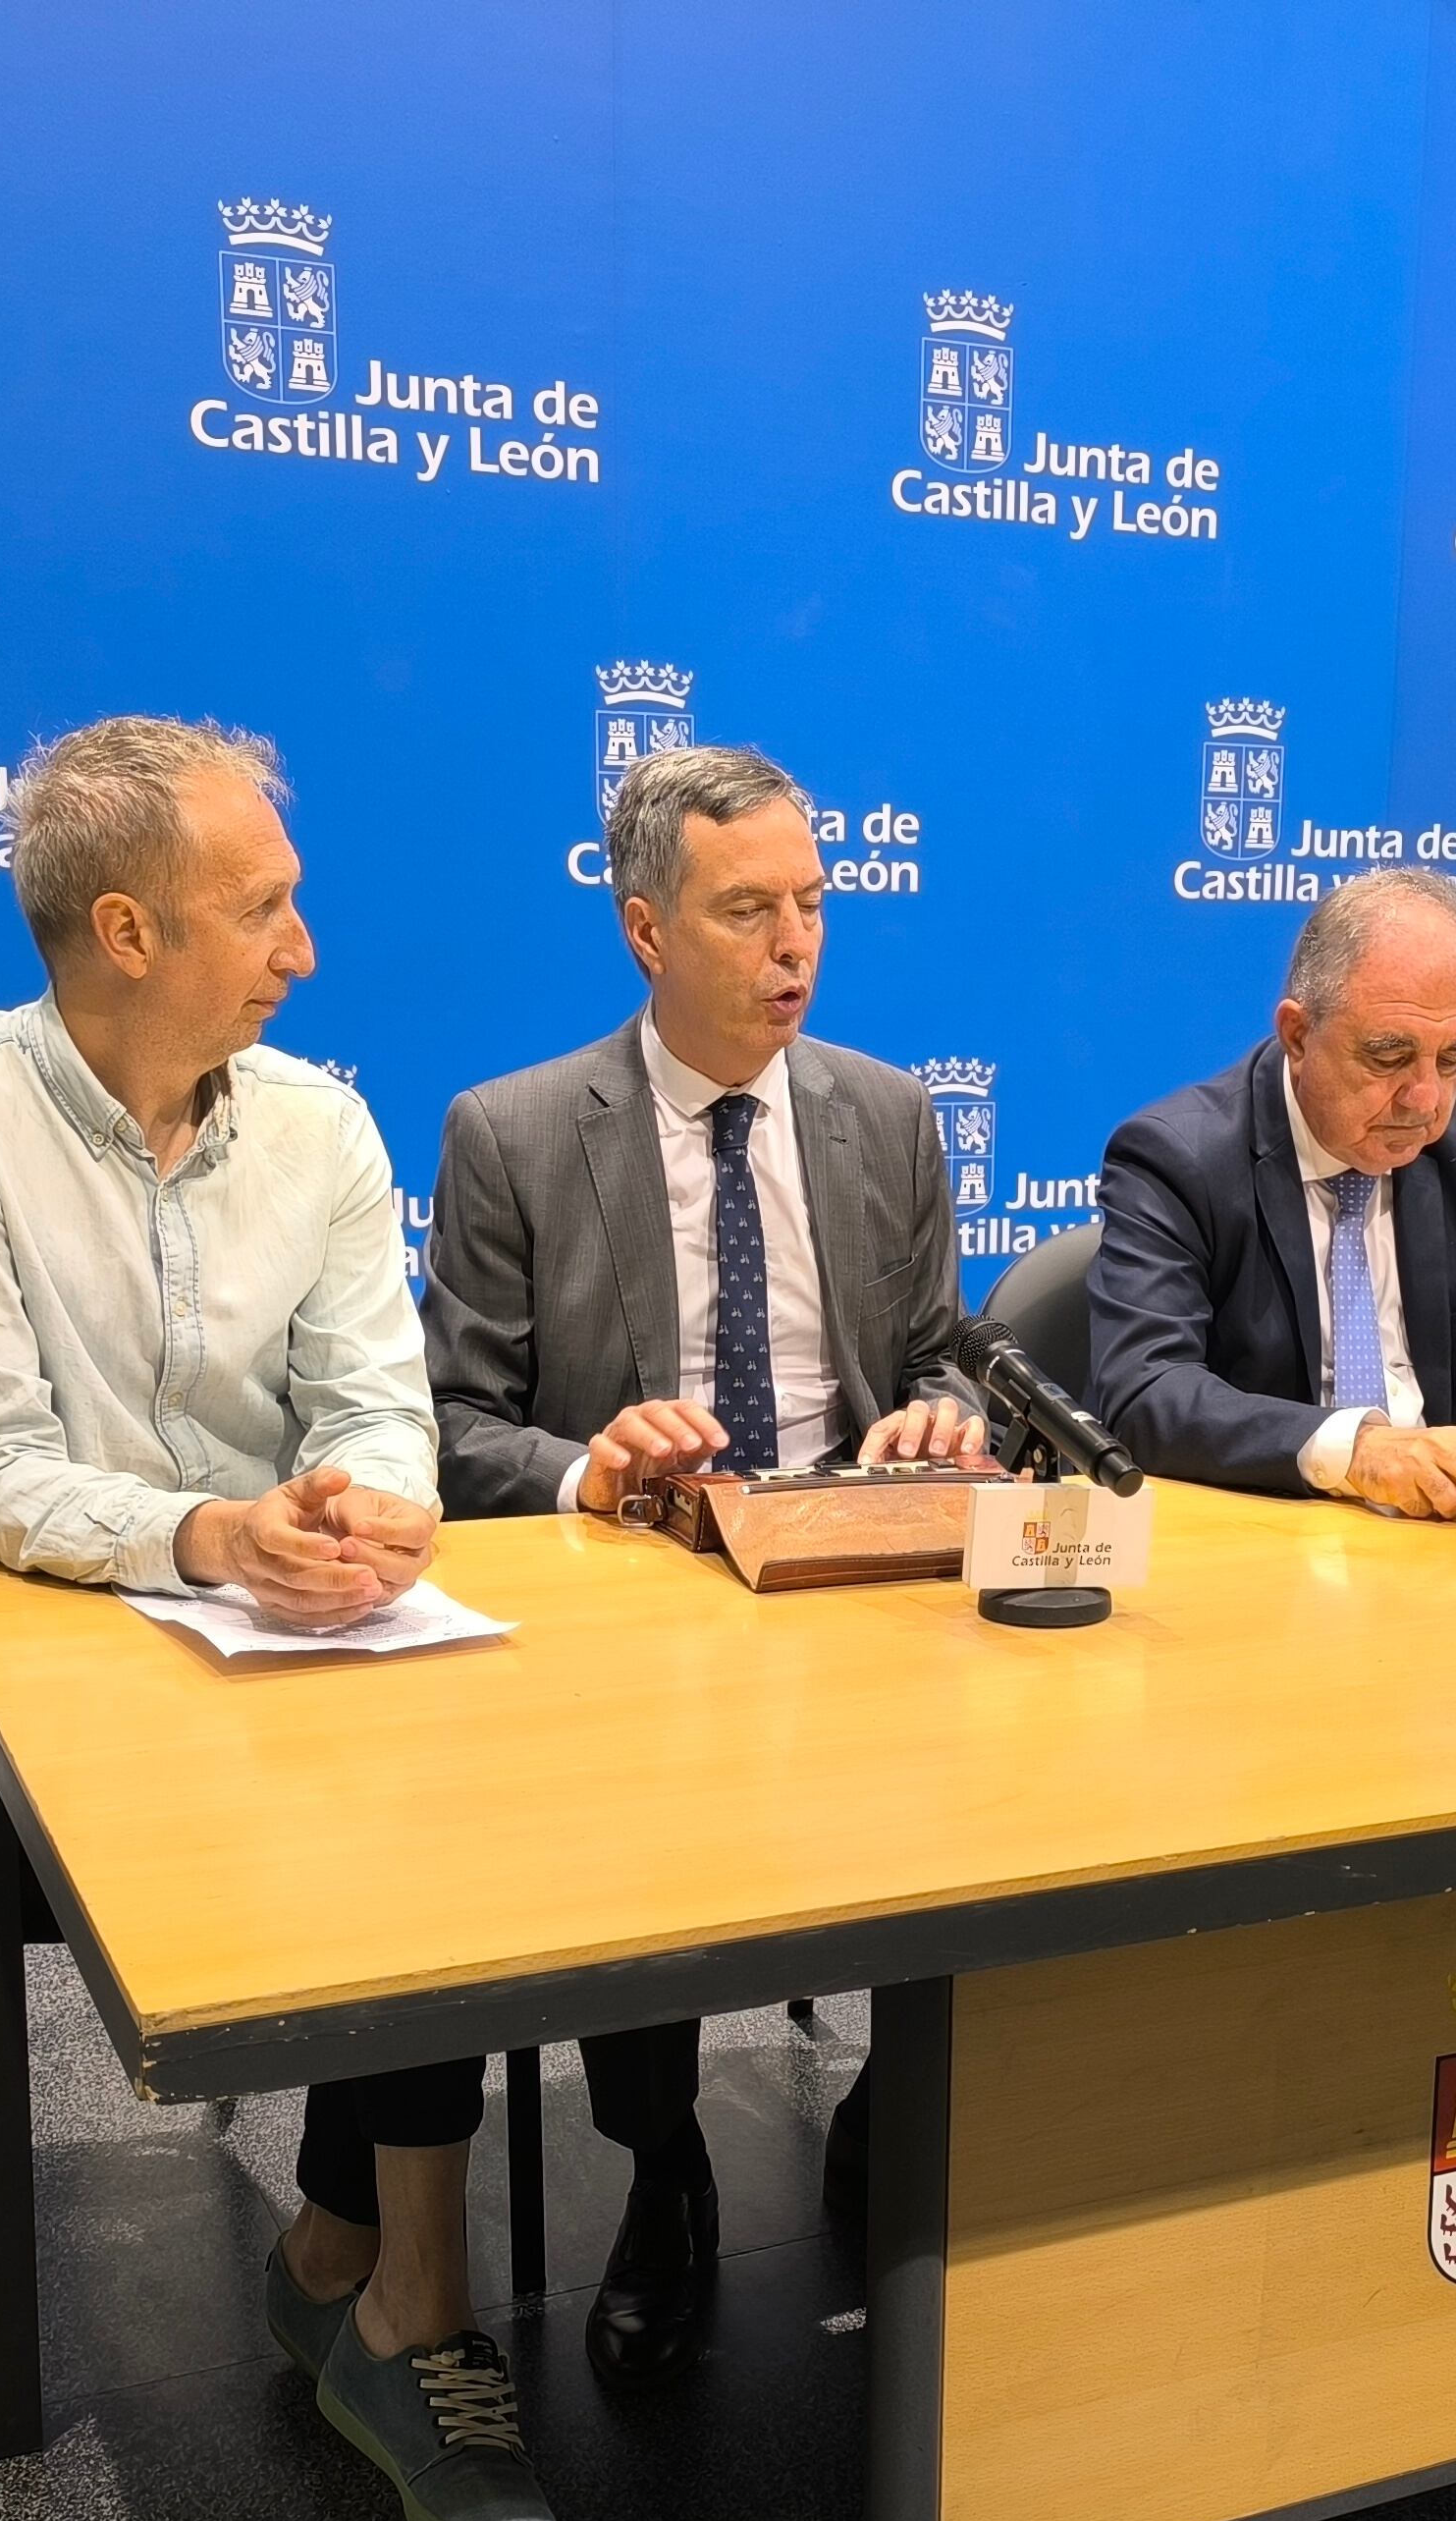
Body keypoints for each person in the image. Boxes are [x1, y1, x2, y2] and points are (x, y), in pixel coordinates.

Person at [0, 713, 559, 2521]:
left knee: (465, 1809)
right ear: (127, 930)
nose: (303, 949)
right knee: (397, 1834)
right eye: (265, 907)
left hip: (286, 1640)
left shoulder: (317, 1122)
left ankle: (387, 2287)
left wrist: (364, 1507)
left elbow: (377, 1405)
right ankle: (369, 2287)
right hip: (5, 1687)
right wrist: (212, 1538)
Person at [420, 743, 980, 2374]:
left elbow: (949, 1348)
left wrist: (939, 1420)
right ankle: (662, 2166)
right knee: (640, 1801)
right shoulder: (515, 1134)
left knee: (1018, 1748)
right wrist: (593, 1468)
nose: (795, 944)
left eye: (812, 903)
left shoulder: (883, 1113)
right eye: (749, 912)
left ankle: (902, 2112)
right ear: (648, 930)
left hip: (858, 1557)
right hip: (644, 1588)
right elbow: (456, 1428)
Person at [1088, 864, 1456, 1514]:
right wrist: (1354, 1450)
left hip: (1455, 1540)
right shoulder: (1179, 1158)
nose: (1425, 1099)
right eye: (1389, 1057)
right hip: (1269, 1538)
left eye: (1453, 1060)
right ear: (1299, 1036)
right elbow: (1144, 1393)